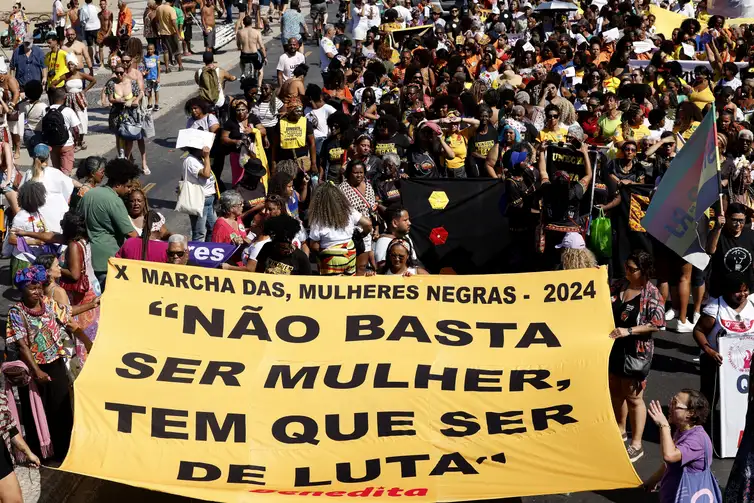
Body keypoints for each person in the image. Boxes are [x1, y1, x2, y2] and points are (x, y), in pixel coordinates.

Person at [6, 265, 92, 461]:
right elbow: (22, 345)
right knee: (36, 411)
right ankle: (41, 453)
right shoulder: (16, 313)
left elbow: (68, 315)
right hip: (33, 370)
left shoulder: (49, 304)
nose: (36, 292)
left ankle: (65, 450)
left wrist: (88, 337)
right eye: (31, 288)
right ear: (22, 289)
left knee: (61, 409)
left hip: (56, 363)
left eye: (38, 287)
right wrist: (37, 371)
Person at [608, 250, 665, 463]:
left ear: (643, 271)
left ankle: (637, 443)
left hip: (636, 352)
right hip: (614, 348)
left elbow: (657, 325)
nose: (627, 272)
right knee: (616, 392)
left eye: (632, 269)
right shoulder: (620, 285)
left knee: (634, 397)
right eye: (626, 267)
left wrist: (629, 331)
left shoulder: (652, 294)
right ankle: (621, 430)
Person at [644, 390, 720, 503]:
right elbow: (670, 464)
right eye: (672, 401)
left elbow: (669, 456)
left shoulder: (697, 440)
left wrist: (664, 425)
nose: (670, 406)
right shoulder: (682, 431)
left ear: (691, 413)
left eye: (675, 403)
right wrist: (653, 480)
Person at [78, 158, 140, 289]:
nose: (129, 190)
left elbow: (76, 219)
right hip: (109, 260)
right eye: (128, 186)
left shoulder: (89, 194)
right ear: (118, 184)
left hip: (88, 257)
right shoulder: (114, 200)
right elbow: (130, 233)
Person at [308, 182, 372, 276]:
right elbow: (368, 224)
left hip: (331, 257)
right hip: (350, 252)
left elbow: (314, 246)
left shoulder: (318, 218)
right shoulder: (349, 211)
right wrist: (362, 234)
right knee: (348, 285)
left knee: (332, 287)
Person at [20, 142, 74, 234]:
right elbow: (69, 187)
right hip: (56, 222)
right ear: (48, 157)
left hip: (35, 223)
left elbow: (20, 192)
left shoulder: (28, 174)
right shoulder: (55, 173)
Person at [707, 203, 754, 299]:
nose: (738, 224)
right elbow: (710, 250)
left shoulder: (751, 235)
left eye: (741, 220)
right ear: (727, 217)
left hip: (745, 291)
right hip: (720, 291)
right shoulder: (719, 233)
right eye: (734, 220)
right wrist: (718, 228)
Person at [51, 53, 96, 151]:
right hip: (69, 99)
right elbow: (53, 84)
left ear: (76, 65)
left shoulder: (80, 74)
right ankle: (76, 141)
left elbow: (93, 80)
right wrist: (62, 91)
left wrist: (84, 90)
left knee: (82, 118)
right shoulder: (65, 76)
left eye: (72, 64)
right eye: (68, 64)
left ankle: (81, 141)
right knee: (72, 119)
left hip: (79, 99)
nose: (70, 66)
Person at [102, 64, 145, 168]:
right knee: (119, 136)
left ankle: (127, 158)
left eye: (121, 72)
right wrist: (117, 100)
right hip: (117, 113)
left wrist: (132, 100)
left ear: (125, 72)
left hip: (130, 114)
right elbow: (110, 98)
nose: (119, 75)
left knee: (129, 136)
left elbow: (139, 93)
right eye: (117, 73)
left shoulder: (132, 82)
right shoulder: (112, 83)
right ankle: (122, 156)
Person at [5, 181, 49, 278]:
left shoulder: (37, 212)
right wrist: (33, 241)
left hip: (36, 257)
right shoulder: (21, 217)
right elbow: (11, 240)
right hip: (23, 260)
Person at [339, 160, 376, 272]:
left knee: (362, 266)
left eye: (361, 172)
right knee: (350, 265)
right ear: (350, 173)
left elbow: (373, 210)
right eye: (355, 172)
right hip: (351, 232)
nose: (359, 175)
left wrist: (375, 227)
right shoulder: (343, 188)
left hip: (366, 231)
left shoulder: (369, 187)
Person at [182, 146, 217, 241]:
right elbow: (206, 174)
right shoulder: (191, 161)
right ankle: (196, 253)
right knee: (200, 232)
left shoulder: (198, 159)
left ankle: (208, 249)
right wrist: (206, 157)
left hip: (208, 199)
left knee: (213, 228)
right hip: (200, 200)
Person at [155, 0, 184, 72]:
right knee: (177, 50)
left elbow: (157, 20)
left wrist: (160, 28)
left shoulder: (159, 8)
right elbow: (174, 23)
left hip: (163, 33)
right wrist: (178, 34)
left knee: (165, 51)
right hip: (171, 33)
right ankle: (180, 66)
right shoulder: (171, 9)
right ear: (173, 2)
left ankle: (167, 68)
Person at [237, 16, 266, 82]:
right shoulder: (256, 32)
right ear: (251, 23)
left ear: (243, 23)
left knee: (241, 61)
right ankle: (258, 87)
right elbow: (261, 46)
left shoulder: (240, 32)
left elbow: (238, 44)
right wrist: (264, 56)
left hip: (244, 54)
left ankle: (243, 72)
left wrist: (239, 47)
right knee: (260, 71)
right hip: (254, 54)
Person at [96, 0, 113, 67]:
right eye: (101, 4)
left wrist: (108, 33)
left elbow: (111, 24)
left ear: (106, 4)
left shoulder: (109, 13)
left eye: (103, 4)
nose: (102, 6)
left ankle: (111, 61)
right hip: (101, 32)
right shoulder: (99, 14)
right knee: (100, 48)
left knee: (112, 48)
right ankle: (101, 63)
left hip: (108, 32)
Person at [143, 43, 160, 111]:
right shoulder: (145, 57)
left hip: (154, 77)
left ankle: (156, 104)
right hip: (148, 78)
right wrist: (144, 72)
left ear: (154, 49)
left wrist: (158, 77)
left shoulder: (156, 57)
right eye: (148, 49)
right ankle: (149, 103)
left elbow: (159, 68)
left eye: (151, 49)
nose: (150, 50)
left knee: (156, 91)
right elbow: (144, 67)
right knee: (149, 91)